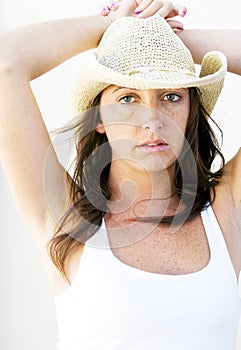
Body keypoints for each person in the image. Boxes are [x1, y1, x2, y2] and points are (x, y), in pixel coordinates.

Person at [0, 0, 241, 349]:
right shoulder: (62, 215)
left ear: (191, 110)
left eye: (171, 95)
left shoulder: (225, 212)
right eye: (128, 98)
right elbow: (6, 61)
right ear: (98, 116)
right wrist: (115, 24)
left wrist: (164, 38)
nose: (152, 119)